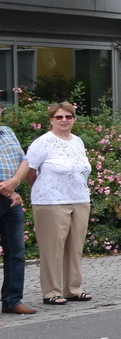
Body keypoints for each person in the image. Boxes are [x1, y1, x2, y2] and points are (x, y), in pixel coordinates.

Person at [1, 103, 92, 305]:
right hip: (50, 201)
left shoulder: (77, 141)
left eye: (68, 116)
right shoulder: (43, 143)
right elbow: (28, 169)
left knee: (75, 247)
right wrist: (41, 186)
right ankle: (51, 291)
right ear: (51, 120)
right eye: (59, 117)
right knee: (52, 248)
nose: (64, 120)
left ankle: (73, 288)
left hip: (79, 199)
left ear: (74, 119)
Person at [0, 100, 34, 314]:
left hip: (11, 200)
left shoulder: (8, 131)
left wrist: (14, 183)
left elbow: (24, 161)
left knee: (16, 252)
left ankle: (12, 301)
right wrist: (8, 188)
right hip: (8, 194)